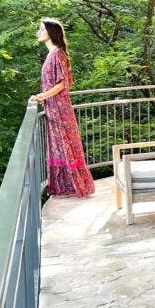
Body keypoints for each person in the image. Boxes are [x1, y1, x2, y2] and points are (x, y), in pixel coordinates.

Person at [30, 18, 95, 198]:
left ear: (51, 32)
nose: (39, 32)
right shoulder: (53, 54)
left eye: (42, 29)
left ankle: (77, 186)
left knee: (65, 145)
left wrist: (42, 96)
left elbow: (62, 84)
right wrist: (45, 98)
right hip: (53, 107)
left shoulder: (58, 54)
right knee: (59, 146)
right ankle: (66, 187)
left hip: (60, 108)